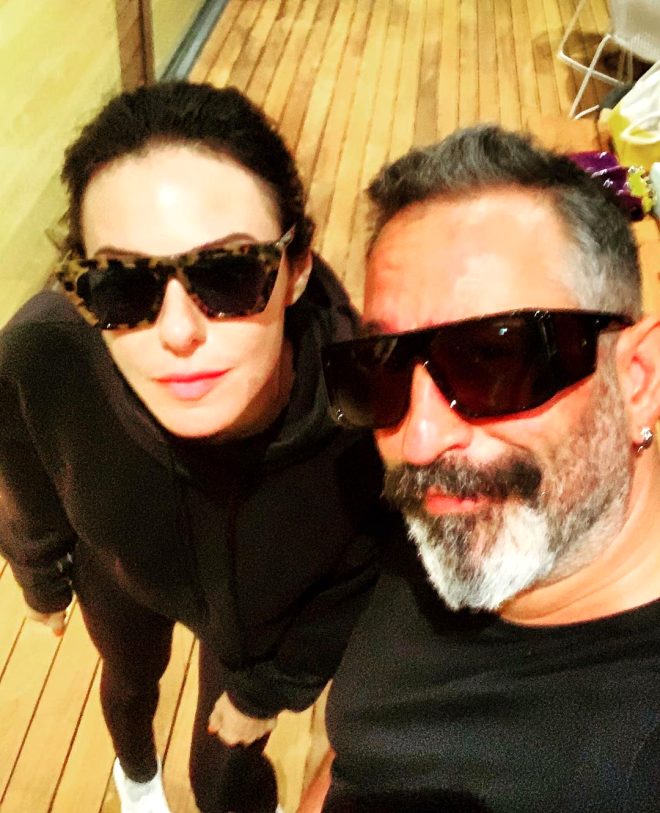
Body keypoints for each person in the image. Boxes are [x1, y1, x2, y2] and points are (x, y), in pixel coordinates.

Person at [0, 82, 386, 813]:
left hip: (259, 616)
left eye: (229, 273)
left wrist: (271, 688)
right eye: (121, 285)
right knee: (128, 681)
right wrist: (40, 574)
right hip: (121, 560)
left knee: (225, 776)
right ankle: (139, 781)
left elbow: (360, 568)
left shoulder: (366, 414)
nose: (178, 332)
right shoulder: (45, 355)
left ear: (297, 268)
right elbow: (23, 465)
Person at [318, 125, 660, 811]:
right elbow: (359, 749)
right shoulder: (492, 515)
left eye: (495, 357)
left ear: (638, 379)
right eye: (383, 366)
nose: (419, 439)